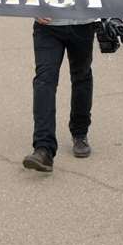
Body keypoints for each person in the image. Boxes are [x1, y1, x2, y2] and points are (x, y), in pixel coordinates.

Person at [22, 16, 98, 173]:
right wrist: (34, 9)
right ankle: (43, 149)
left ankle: (80, 133)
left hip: (82, 24)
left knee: (81, 78)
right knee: (44, 81)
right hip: (47, 25)